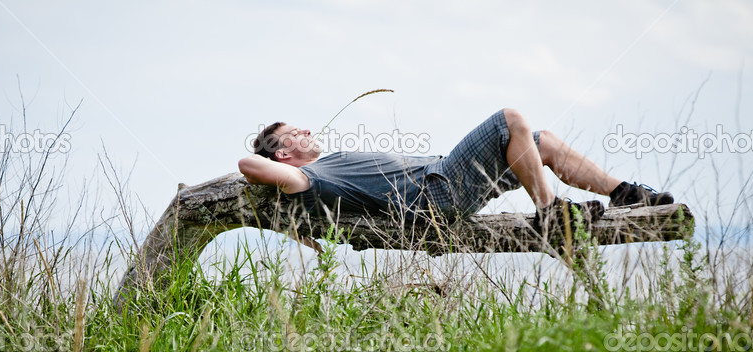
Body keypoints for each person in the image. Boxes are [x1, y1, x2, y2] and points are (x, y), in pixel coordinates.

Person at [238, 108, 673, 235]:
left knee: (541, 141)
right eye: (295, 132)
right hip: (438, 193)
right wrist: (268, 162)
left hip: (448, 180)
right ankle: (549, 212)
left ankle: (625, 193)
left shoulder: (324, 166)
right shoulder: (310, 179)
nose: (307, 129)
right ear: (282, 157)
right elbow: (246, 164)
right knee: (509, 120)